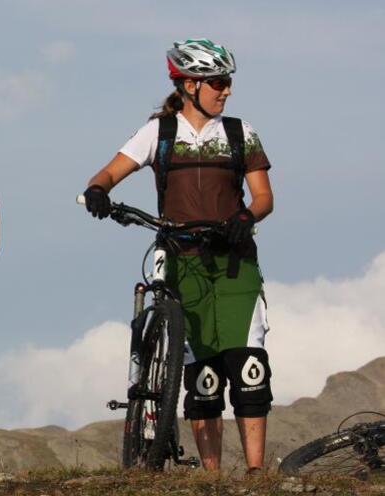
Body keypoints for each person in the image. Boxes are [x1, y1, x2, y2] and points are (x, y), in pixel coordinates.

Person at [82, 39, 274, 473]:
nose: (226, 91)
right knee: (203, 378)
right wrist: (98, 191)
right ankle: (213, 479)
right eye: (218, 83)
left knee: (249, 369)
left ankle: (257, 476)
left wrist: (245, 215)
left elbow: (264, 196)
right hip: (180, 259)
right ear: (189, 85)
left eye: (227, 83)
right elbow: (110, 171)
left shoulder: (241, 134)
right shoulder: (159, 132)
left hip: (233, 262)